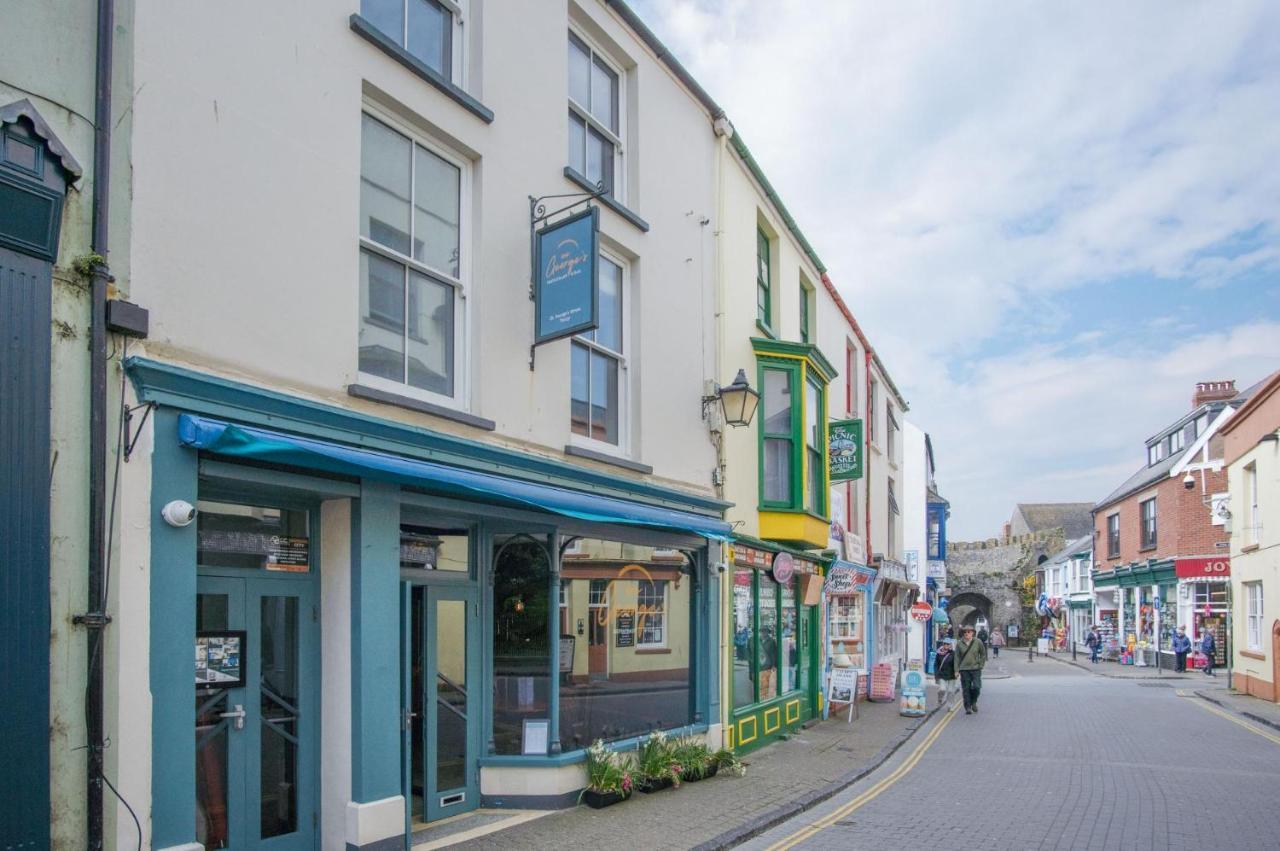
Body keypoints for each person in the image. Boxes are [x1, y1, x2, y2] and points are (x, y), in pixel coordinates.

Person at [955, 625, 988, 715]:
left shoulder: (978, 642)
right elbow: (957, 657)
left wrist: (981, 665)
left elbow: (983, 654)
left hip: (976, 669)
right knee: (966, 689)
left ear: (972, 633)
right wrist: (956, 670)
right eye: (965, 632)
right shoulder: (959, 643)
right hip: (964, 669)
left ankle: (973, 701)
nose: (966, 633)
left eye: (969, 632)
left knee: (977, 687)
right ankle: (968, 707)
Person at [934, 640, 957, 706]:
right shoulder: (939, 653)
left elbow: (956, 663)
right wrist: (936, 674)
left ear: (950, 645)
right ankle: (940, 699)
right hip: (942, 674)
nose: (946, 645)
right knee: (942, 689)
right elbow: (936, 665)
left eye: (948, 644)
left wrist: (957, 671)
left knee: (950, 691)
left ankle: (950, 706)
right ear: (943, 644)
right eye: (945, 644)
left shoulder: (953, 653)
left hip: (951, 675)